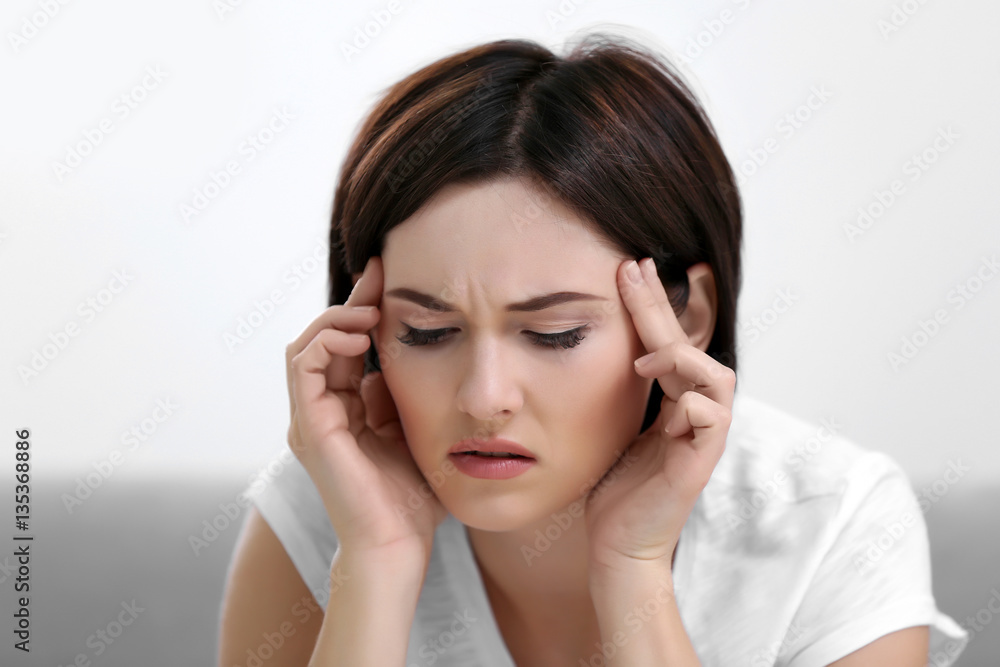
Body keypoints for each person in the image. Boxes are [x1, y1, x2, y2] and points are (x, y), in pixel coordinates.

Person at [218, 32, 969, 666]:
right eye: (427, 331)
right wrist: (375, 562)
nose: (485, 396)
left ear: (688, 317)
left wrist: (633, 572)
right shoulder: (325, 515)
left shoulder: (829, 523)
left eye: (555, 334)